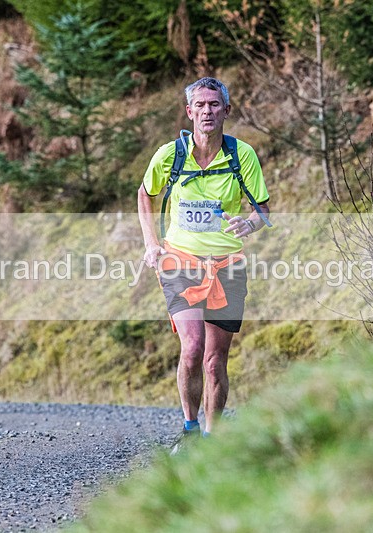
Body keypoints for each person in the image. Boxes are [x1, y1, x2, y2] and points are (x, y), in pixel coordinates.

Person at [137, 77, 271, 439]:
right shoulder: (170, 155)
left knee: (215, 362)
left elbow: (263, 210)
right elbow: (145, 194)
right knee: (193, 346)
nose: (207, 111)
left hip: (227, 265)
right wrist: (152, 243)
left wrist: (249, 224)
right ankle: (190, 429)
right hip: (180, 261)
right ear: (189, 112)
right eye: (200, 105)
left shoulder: (242, 156)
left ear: (226, 111)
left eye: (214, 105)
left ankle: (213, 437)